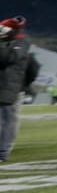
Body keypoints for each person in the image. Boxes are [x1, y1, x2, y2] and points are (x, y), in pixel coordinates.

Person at [0, 16, 34, 162]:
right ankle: (4, 149)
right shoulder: (14, 44)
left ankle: (3, 150)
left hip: (11, 87)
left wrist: (24, 86)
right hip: (8, 86)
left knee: (7, 120)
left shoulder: (21, 43)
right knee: (7, 120)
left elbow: (8, 59)